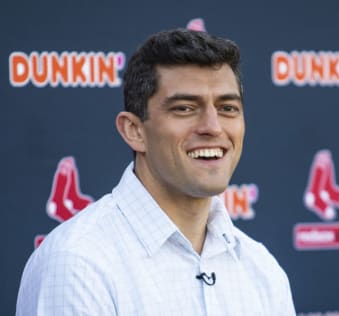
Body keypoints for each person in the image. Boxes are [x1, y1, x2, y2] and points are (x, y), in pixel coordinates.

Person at [16, 29, 296, 315]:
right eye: (185, 108)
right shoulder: (77, 263)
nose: (213, 126)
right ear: (134, 131)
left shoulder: (261, 268)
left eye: (227, 108)